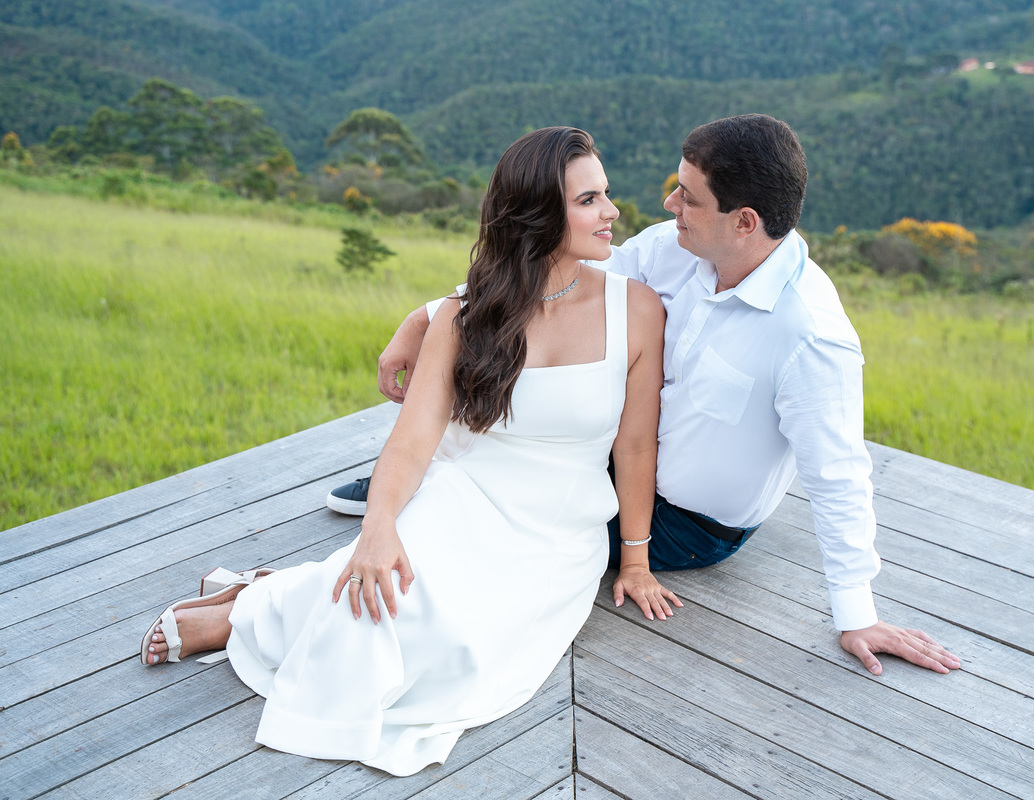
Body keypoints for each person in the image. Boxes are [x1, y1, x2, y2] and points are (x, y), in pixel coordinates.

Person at [332, 114, 960, 678]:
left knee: (491, 538)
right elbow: (552, 277)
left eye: (687, 196)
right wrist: (428, 318)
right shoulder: (677, 247)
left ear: (744, 223)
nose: (668, 203)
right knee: (471, 471)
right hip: (613, 463)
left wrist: (857, 613)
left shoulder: (810, 336)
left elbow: (840, 475)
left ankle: (427, 497)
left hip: (685, 524)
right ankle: (425, 488)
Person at [139, 126, 679, 777]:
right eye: (589, 199)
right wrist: (378, 525)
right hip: (462, 497)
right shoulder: (465, 315)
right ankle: (250, 612)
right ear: (538, 213)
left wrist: (636, 561)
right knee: (378, 599)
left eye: (606, 195)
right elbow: (413, 439)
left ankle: (268, 595)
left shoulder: (638, 309)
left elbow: (636, 447)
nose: (612, 212)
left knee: (464, 649)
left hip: (558, 534)